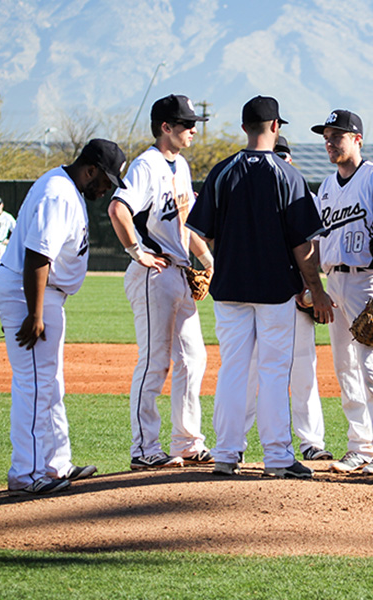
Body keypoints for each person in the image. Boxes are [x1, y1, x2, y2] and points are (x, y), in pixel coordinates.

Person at [186, 95, 334, 478]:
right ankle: (278, 456)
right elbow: (303, 245)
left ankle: (226, 453)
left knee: (233, 369)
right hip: (274, 291)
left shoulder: (221, 172)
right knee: (272, 371)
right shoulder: (288, 175)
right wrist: (315, 288)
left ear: (244, 127)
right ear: (275, 127)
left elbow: (205, 233)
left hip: (230, 288)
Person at [0, 138, 126, 494]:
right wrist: (34, 313)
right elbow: (37, 254)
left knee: (49, 382)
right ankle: (28, 474)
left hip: (42, 293)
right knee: (34, 385)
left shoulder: (66, 187)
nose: (106, 189)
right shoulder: (59, 193)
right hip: (29, 292)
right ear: (90, 169)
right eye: (106, 180)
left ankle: (55, 464)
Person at [108, 94, 214, 470]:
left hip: (179, 273)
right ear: (165, 127)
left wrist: (207, 259)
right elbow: (117, 208)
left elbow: (185, 222)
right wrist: (136, 251)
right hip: (154, 274)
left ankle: (187, 442)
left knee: (193, 359)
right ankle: (143, 449)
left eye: (193, 124)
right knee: (155, 362)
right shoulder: (146, 165)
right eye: (185, 124)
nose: (192, 130)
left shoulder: (180, 165)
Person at [311, 109, 373, 476]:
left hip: (367, 279)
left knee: (372, 367)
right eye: (327, 136)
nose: (330, 142)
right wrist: (312, 288)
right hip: (335, 280)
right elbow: (317, 242)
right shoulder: (327, 186)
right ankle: (359, 446)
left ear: (358, 140)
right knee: (345, 368)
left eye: (338, 136)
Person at [243, 135, 332, 462]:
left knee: (303, 370)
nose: (281, 161)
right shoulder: (247, 195)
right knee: (251, 369)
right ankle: (235, 442)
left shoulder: (306, 197)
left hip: (297, 298)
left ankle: (311, 442)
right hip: (258, 297)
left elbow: (316, 249)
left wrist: (312, 290)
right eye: (275, 156)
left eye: (285, 156)